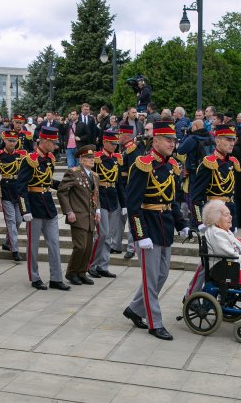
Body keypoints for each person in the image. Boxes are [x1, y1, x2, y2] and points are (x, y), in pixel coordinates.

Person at [122, 121, 188, 341]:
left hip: (166, 225)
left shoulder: (171, 166)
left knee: (162, 275)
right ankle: (154, 322)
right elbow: (133, 204)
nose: (172, 144)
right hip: (148, 226)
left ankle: (134, 308)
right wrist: (139, 235)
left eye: (174, 140)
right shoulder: (143, 164)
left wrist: (181, 223)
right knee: (151, 279)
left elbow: (173, 200)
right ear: (156, 140)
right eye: (168, 140)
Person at [17, 126, 70, 291]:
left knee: (54, 243)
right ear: (45, 141)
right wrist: (25, 210)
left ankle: (56, 278)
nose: (55, 145)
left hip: (48, 205)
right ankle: (34, 277)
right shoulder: (30, 159)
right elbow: (21, 187)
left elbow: (46, 181)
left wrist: (63, 185)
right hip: (34, 206)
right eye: (53, 142)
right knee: (33, 245)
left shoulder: (50, 159)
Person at [58, 144, 100, 285]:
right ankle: (71, 273)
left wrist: (98, 210)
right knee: (80, 246)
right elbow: (62, 191)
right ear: (81, 159)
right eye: (88, 157)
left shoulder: (95, 176)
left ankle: (81, 272)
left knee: (88, 247)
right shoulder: (73, 172)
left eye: (92, 157)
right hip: (77, 215)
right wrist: (68, 211)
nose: (92, 160)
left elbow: (95, 195)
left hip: (90, 216)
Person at [190, 124, 241, 232]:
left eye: (233, 140)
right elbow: (195, 197)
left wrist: (234, 221)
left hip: (228, 215)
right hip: (213, 214)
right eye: (228, 140)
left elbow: (230, 196)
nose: (232, 143)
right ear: (217, 141)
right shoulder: (209, 163)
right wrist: (199, 221)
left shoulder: (232, 162)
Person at [88, 132, 123, 278]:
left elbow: (119, 182)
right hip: (100, 197)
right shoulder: (96, 158)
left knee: (109, 234)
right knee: (102, 234)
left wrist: (124, 202)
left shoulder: (117, 159)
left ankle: (103, 265)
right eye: (112, 143)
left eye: (116, 144)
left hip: (113, 198)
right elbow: (90, 180)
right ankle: (91, 264)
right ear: (104, 142)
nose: (115, 147)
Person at [0, 128, 27, 261]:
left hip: (18, 190)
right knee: (11, 221)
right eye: (10, 141)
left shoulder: (21, 155)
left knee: (19, 220)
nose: (12, 143)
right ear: (4, 140)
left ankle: (7, 242)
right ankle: (15, 249)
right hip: (6, 189)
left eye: (14, 141)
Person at [117, 124, 145, 260]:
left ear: (126, 136)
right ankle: (117, 245)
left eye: (120, 134)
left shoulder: (132, 150)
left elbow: (133, 172)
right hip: (123, 188)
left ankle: (131, 247)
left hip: (129, 188)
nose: (118, 137)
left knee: (131, 219)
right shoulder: (125, 149)